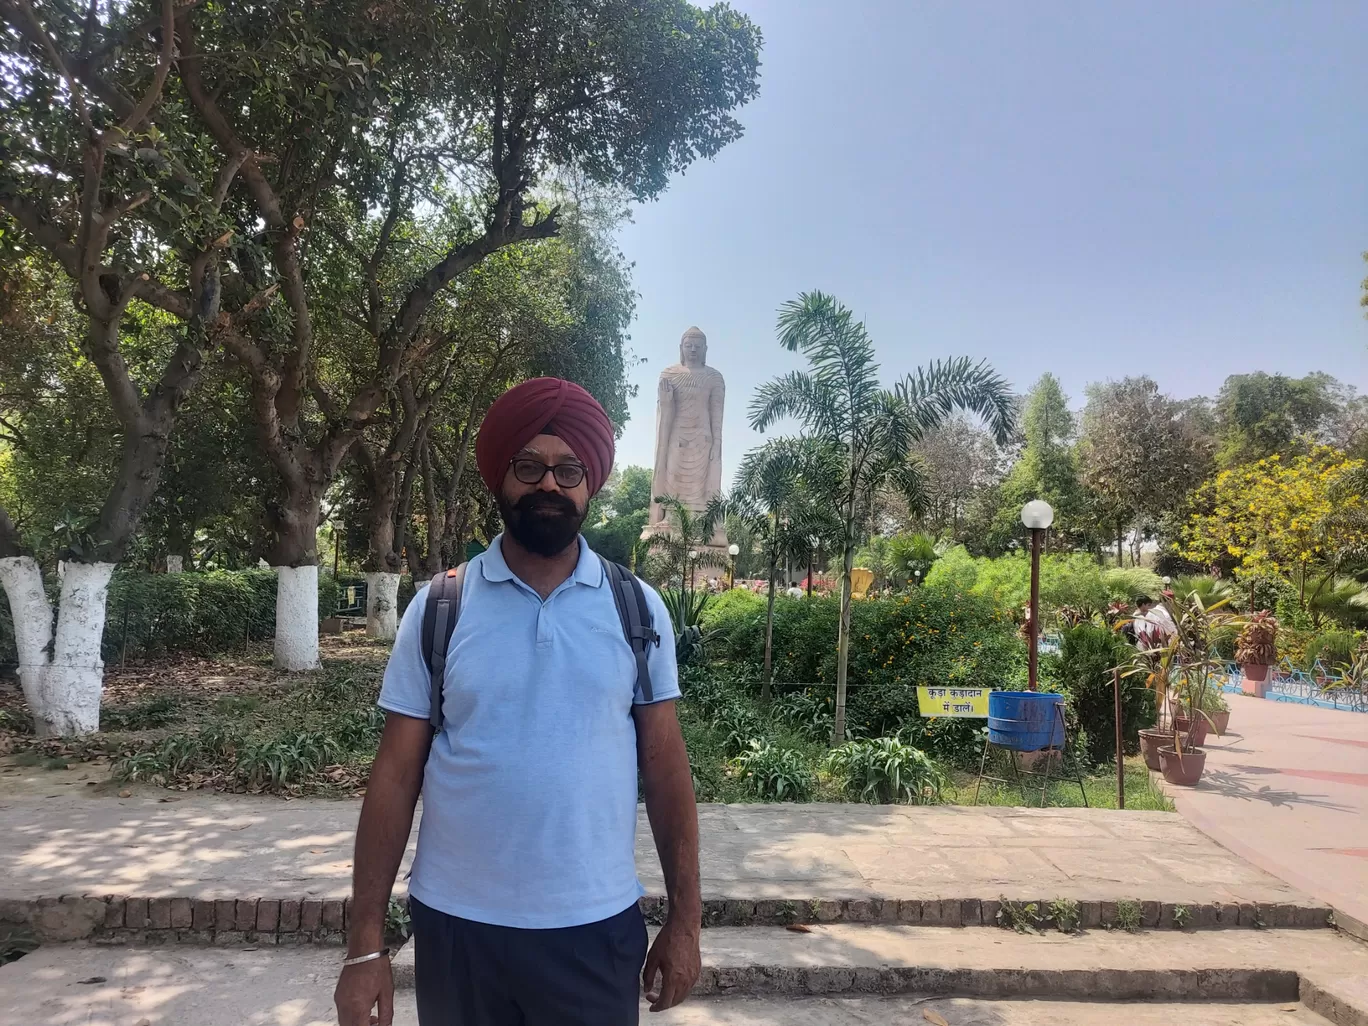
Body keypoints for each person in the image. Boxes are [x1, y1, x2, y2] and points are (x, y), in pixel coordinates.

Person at [336, 378, 701, 1026]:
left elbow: (668, 771)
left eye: (568, 469)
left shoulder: (637, 610)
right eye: (528, 466)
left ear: (591, 482)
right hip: (458, 931)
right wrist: (366, 946)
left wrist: (686, 921)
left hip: (593, 927)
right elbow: (393, 776)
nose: (549, 485)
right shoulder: (441, 607)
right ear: (500, 479)